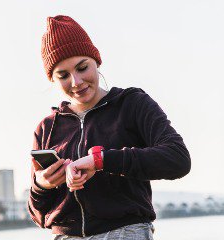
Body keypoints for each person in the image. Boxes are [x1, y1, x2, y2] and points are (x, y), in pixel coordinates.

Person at [28, 15, 191, 240]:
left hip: (124, 233)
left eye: (82, 67)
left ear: (97, 62)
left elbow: (177, 159)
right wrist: (42, 184)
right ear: (53, 80)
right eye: (63, 75)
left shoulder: (131, 103)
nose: (76, 82)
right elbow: (39, 216)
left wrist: (101, 161)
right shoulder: (47, 128)